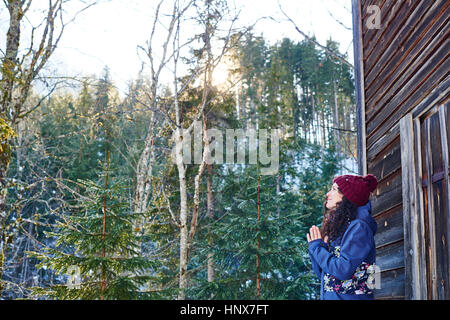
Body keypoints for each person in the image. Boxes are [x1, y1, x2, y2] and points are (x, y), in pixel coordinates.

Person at [306, 174, 378, 300]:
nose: (327, 194)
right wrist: (317, 247)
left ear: (347, 197)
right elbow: (324, 274)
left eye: (334, 189)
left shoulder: (359, 228)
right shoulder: (339, 228)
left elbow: (343, 270)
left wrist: (317, 249)